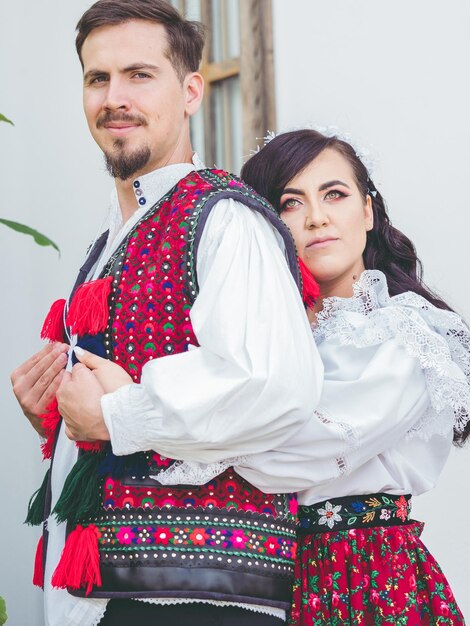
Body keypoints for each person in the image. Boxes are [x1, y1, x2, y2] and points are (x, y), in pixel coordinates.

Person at [9, 4, 322, 625]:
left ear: (190, 92)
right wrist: (57, 413)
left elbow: (273, 386)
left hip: (197, 598)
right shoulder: (107, 244)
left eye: (138, 74)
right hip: (104, 592)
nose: (114, 97)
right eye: (97, 79)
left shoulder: (226, 219)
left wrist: (114, 412)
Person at [238, 128, 469, 624]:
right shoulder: (262, 342)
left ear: (367, 211)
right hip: (267, 578)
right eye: (290, 202)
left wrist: (161, 423)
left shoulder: (404, 333)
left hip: (367, 575)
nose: (317, 217)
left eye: (334, 195)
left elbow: (298, 449)